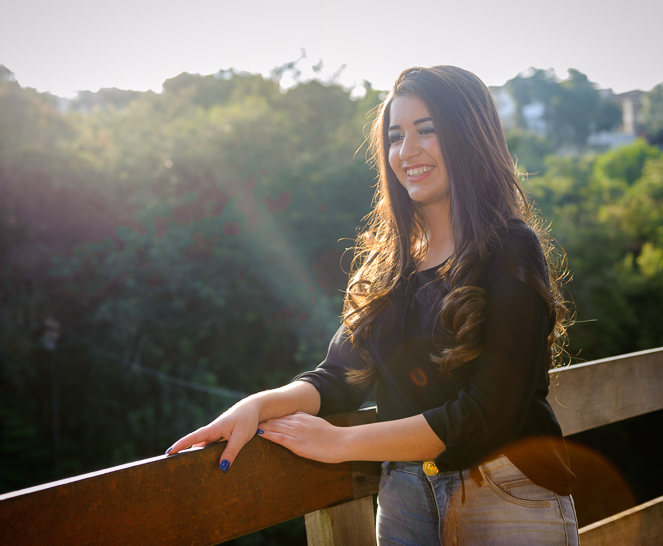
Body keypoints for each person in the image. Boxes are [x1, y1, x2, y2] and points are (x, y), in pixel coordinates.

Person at [166, 65, 579, 545]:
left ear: (471, 136)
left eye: (427, 130)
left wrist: (340, 442)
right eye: (396, 136)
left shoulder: (510, 248)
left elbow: (490, 411)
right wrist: (256, 406)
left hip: (504, 491)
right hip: (405, 498)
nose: (407, 151)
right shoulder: (389, 265)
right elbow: (338, 377)